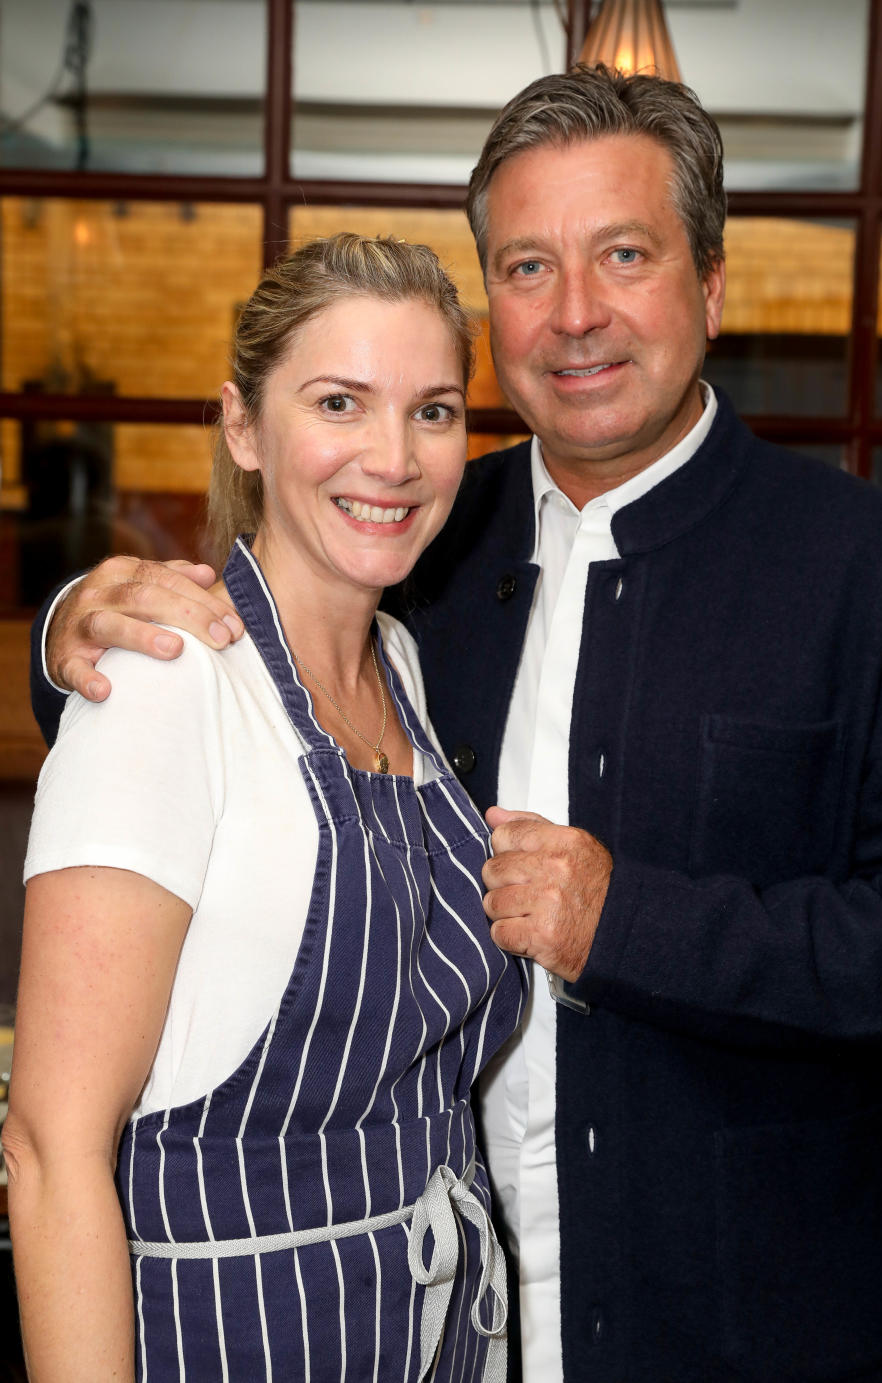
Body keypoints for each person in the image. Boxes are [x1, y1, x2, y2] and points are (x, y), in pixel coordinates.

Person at [27, 67, 882, 1383]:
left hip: (746, 1320)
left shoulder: (878, 568)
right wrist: (72, 625)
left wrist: (622, 921)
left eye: (624, 254)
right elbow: (216, 674)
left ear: (713, 280)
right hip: (433, 1311)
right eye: (528, 265)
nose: (576, 314)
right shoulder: (415, 530)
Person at [7, 233, 529, 1383]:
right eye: (339, 401)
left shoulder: (406, 665)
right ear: (243, 427)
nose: (392, 457)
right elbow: (49, 1153)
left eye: (434, 411)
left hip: (437, 1338)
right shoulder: (164, 679)